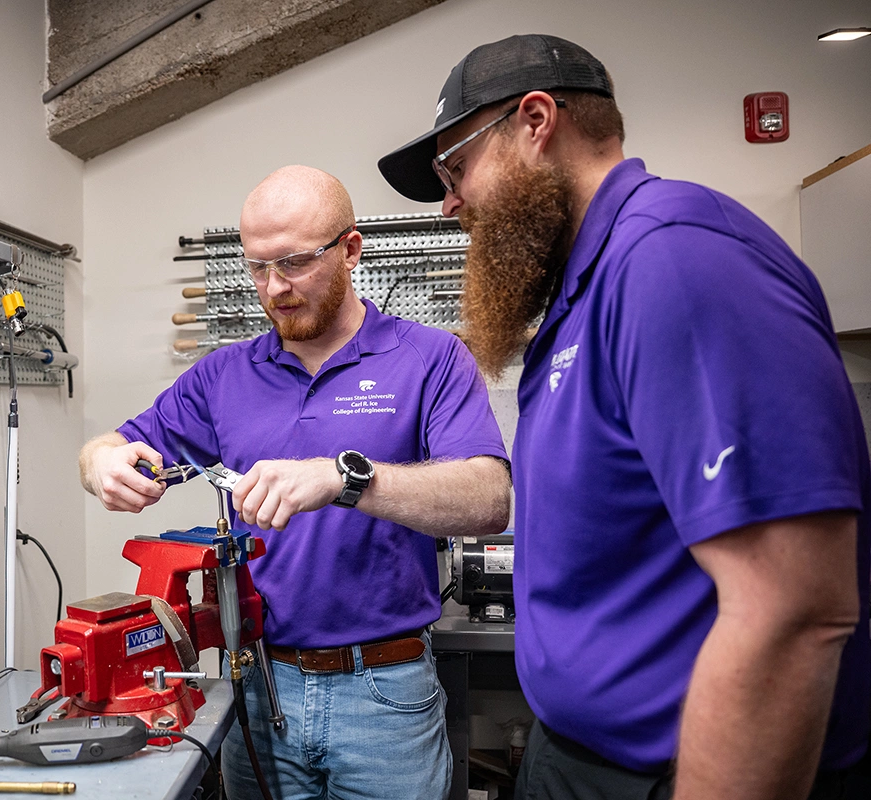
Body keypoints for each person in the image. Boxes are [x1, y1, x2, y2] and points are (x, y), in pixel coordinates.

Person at [379, 33, 870, 800]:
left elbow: (793, 608)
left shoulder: (674, 258)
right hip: (580, 758)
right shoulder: (587, 288)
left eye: (455, 167)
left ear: (536, 120)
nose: (450, 202)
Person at [79, 165, 512, 799]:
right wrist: (100, 465)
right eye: (257, 267)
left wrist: (344, 478)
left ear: (352, 249)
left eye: (295, 263)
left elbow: (487, 498)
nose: (274, 288)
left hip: (384, 696)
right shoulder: (223, 376)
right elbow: (111, 444)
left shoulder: (431, 357)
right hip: (256, 690)